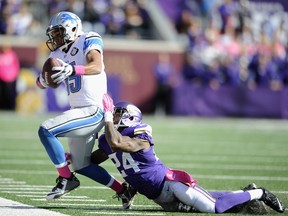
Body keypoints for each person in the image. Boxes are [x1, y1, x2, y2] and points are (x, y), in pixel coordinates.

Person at [90, 93, 285, 214]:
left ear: (129, 116)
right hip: (160, 198)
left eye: (117, 112)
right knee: (209, 198)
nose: (113, 115)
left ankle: (260, 193)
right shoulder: (107, 140)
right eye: (113, 112)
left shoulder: (139, 134)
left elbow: (117, 143)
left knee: (213, 208)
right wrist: (70, 160)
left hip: (171, 185)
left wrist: (107, 118)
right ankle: (244, 192)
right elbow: (93, 160)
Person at [35, 11, 136, 209]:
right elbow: (41, 82)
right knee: (82, 165)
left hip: (94, 109)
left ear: (72, 29)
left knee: (46, 130)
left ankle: (66, 179)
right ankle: (123, 190)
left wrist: (73, 69)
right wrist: (44, 81)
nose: (54, 38)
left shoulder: (88, 38)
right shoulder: (56, 54)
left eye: (58, 33)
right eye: (53, 34)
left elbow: (96, 66)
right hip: (80, 110)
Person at [0, 44, 20, 110]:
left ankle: (11, 108)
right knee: (2, 95)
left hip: (11, 79)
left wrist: (13, 75)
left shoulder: (12, 54)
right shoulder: (1, 55)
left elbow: (16, 65)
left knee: (11, 95)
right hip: (2, 78)